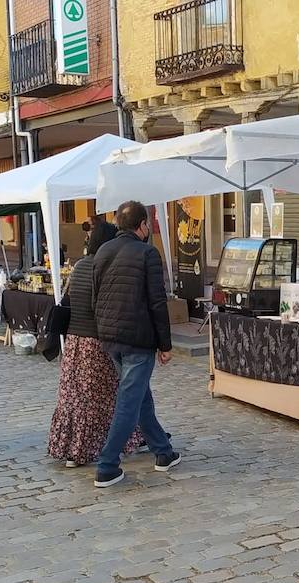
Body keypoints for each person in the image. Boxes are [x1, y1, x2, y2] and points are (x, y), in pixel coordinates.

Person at [89, 200, 180, 488]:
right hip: (137, 338)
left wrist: (103, 329)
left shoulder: (103, 250)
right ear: (142, 225)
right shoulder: (147, 253)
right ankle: (107, 465)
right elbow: (157, 302)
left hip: (110, 336)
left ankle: (163, 452)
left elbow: (95, 297)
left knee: (139, 397)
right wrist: (165, 344)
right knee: (129, 401)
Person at [48, 227, 141, 468]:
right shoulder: (104, 268)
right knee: (103, 397)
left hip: (74, 342)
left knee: (73, 396)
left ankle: (72, 448)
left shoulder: (80, 266)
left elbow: (69, 300)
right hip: (96, 342)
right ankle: (91, 448)